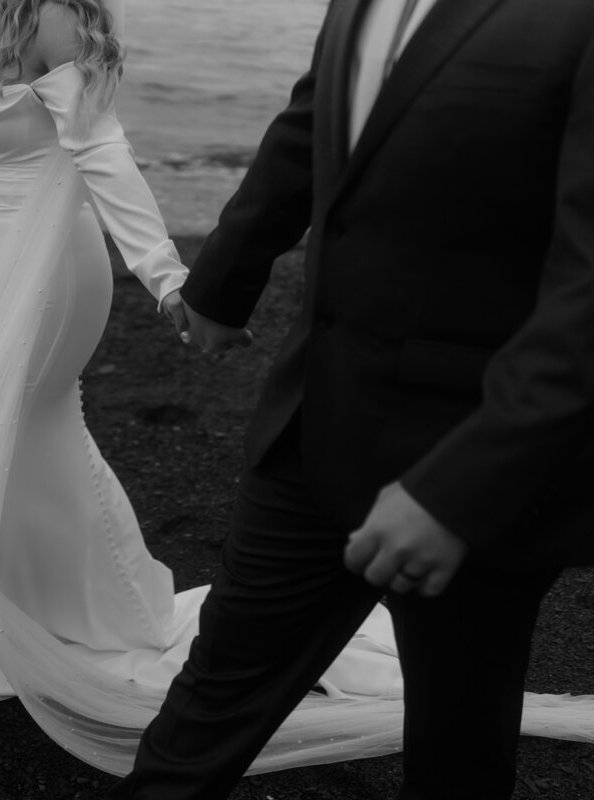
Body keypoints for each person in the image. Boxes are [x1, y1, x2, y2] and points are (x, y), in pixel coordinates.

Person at [113, 0, 594, 798]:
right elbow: (315, 122)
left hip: (471, 451)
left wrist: (459, 491)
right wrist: (224, 279)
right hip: (316, 418)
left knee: (458, 745)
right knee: (215, 693)